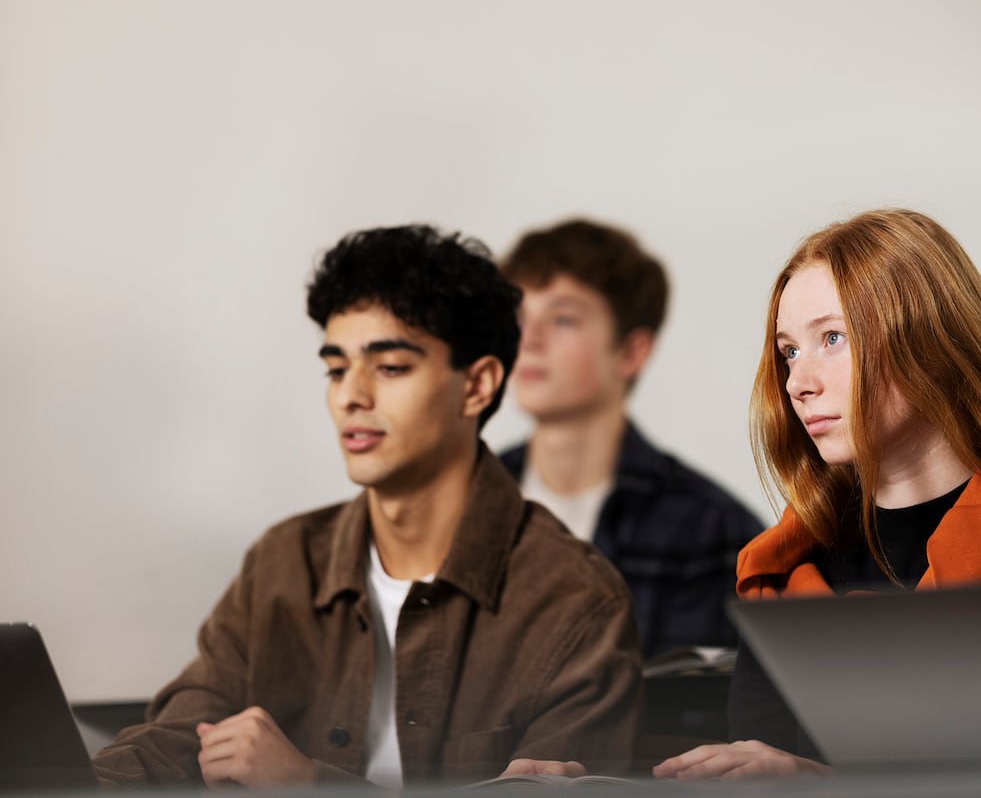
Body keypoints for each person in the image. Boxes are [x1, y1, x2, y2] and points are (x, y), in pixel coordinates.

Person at [93, 226, 641, 788]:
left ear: (477, 385)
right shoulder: (282, 562)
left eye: (390, 367)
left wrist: (312, 785)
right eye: (336, 368)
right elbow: (178, 735)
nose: (350, 395)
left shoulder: (578, 603)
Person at [650, 209, 981, 780]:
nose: (798, 382)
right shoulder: (784, 569)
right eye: (790, 350)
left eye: (833, 338)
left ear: (928, 342)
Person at [497, 220, 764, 658]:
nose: (528, 339)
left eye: (563, 318)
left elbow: (716, 712)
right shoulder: (461, 502)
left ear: (632, 352)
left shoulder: (715, 531)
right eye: (518, 316)